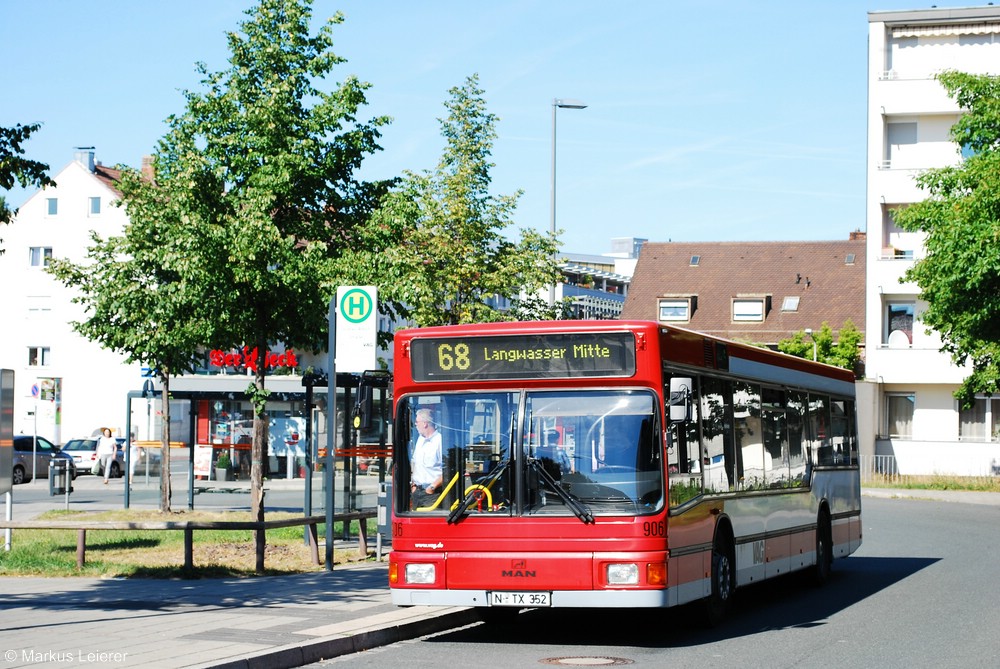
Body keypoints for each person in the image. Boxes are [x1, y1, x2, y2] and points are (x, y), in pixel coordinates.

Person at [410, 409, 443, 510]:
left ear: (425, 423)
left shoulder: (439, 441)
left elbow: (448, 469)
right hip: (417, 491)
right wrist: (413, 485)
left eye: (417, 422)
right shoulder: (420, 440)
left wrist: (432, 487)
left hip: (432, 494)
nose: (415, 425)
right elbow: (414, 462)